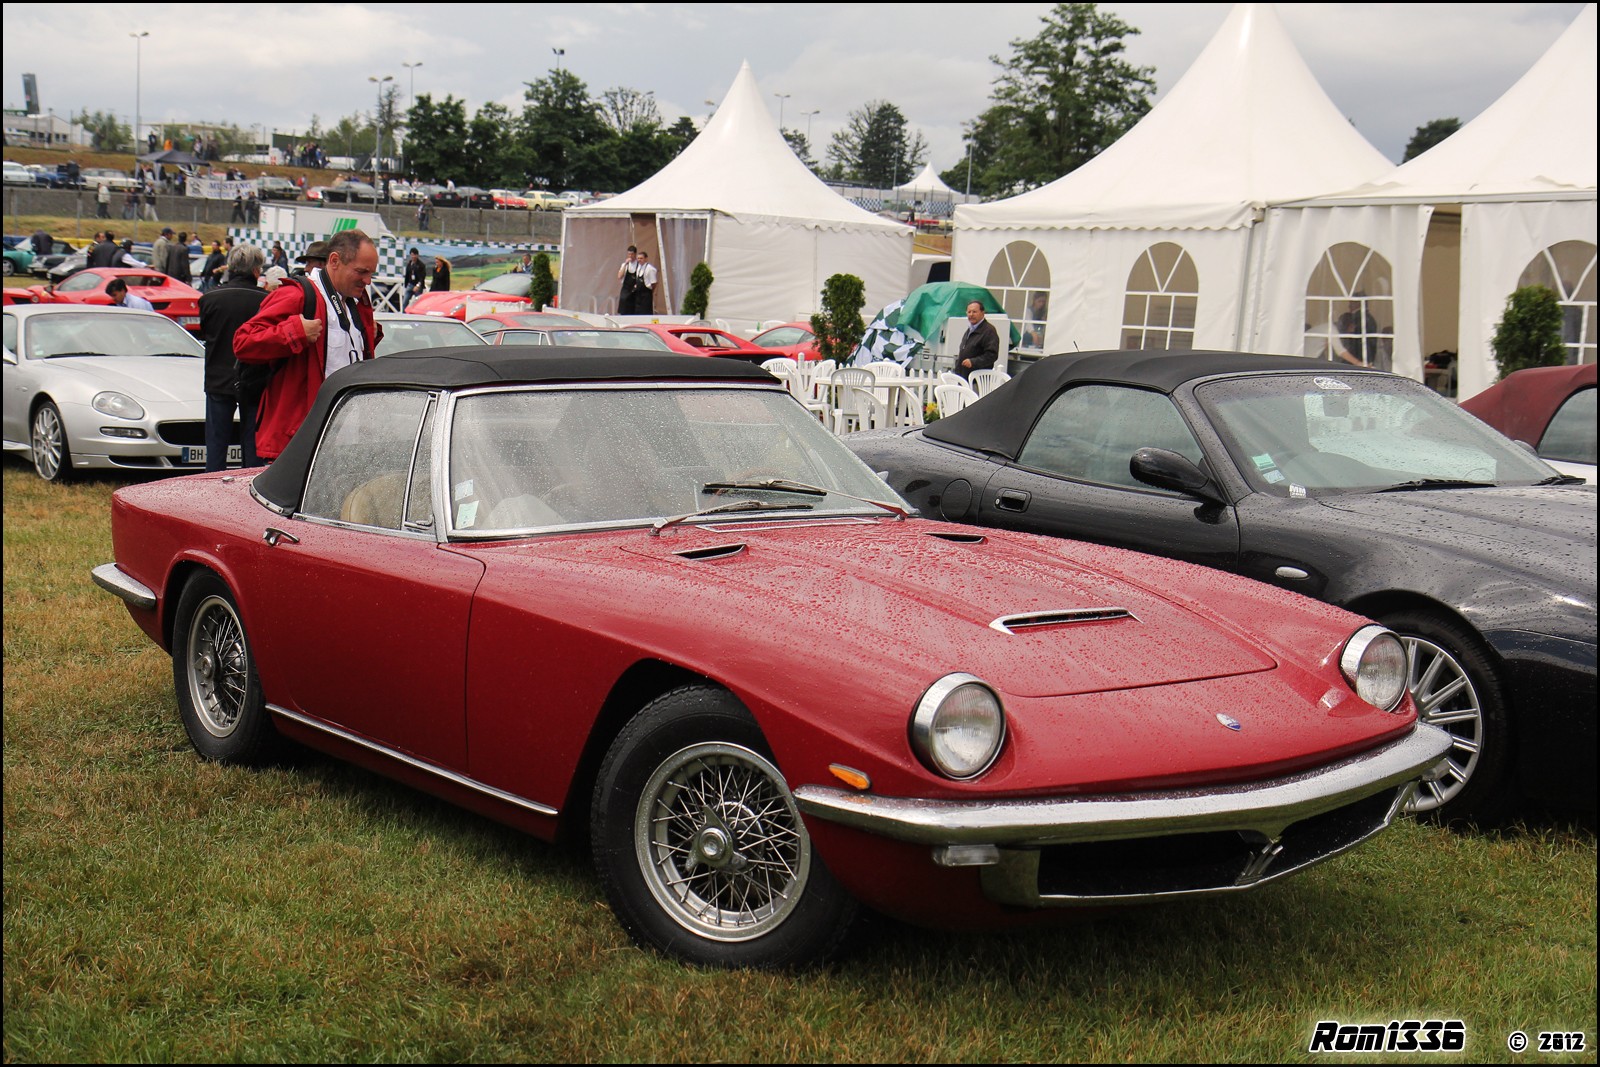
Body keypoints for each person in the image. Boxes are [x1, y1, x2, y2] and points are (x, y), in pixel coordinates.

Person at [233, 229, 384, 460]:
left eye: (371, 273)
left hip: (345, 443)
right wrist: (294, 332)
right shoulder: (298, 296)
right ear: (335, 261)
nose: (368, 281)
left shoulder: (355, 303)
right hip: (301, 446)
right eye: (361, 272)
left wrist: (371, 335)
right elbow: (243, 342)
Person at [200, 244, 269, 471]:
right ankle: (248, 484)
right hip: (255, 379)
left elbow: (207, 333)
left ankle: (212, 486)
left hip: (217, 377)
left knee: (216, 445)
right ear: (256, 270)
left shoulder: (209, 298)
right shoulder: (266, 301)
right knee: (252, 447)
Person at [955, 300, 999, 379]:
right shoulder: (969, 330)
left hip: (978, 380)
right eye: (969, 312)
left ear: (982, 313)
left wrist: (973, 362)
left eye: (974, 312)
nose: (971, 314)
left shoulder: (989, 331)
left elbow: (992, 355)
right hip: (964, 377)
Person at [1335, 296, 1380, 367]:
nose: (1349, 305)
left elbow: (1354, 342)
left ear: (1358, 303)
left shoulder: (1357, 318)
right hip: (1366, 356)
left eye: (1351, 303)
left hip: (1356, 358)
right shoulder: (1369, 318)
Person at [616, 245, 640, 314]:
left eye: (632, 254)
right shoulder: (624, 265)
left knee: (634, 310)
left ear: (635, 254)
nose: (630, 256)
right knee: (624, 309)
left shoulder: (639, 265)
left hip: (635, 291)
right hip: (626, 290)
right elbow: (619, 276)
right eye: (629, 254)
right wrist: (625, 264)